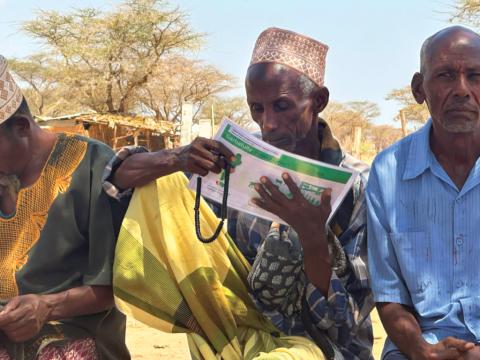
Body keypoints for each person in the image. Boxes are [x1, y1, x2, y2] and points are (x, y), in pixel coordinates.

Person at [107, 28, 373, 359]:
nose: (268, 123)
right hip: (240, 335)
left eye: (281, 106)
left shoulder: (357, 185)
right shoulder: (237, 158)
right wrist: (178, 158)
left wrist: (313, 239)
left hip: (324, 348)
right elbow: (117, 179)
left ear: (318, 100)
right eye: (257, 109)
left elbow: (345, 321)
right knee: (165, 182)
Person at [0, 56, 129, 360]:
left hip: (74, 334)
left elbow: (117, 287)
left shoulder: (94, 167)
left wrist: (46, 307)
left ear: (21, 127)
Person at [367, 26, 480, 360]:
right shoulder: (388, 171)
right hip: (418, 347)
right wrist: (423, 352)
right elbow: (389, 297)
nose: (462, 90)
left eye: (475, 76)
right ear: (419, 89)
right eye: (446, 75)